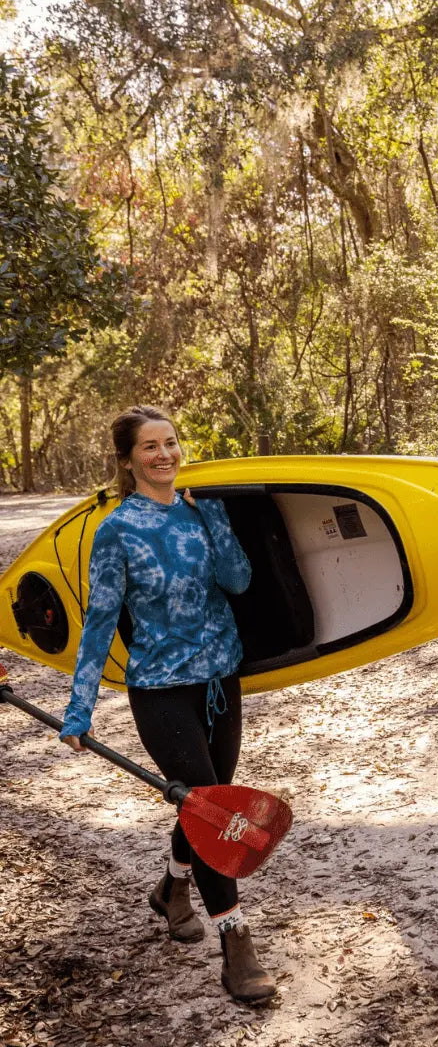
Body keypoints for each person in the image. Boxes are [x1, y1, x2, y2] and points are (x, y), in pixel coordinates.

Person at [58, 405, 275, 1003]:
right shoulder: (118, 530)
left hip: (219, 680)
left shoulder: (203, 511)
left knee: (203, 803)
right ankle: (236, 944)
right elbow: (100, 621)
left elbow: (237, 583)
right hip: (158, 687)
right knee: (209, 812)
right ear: (127, 461)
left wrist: (221, 525)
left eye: (171, 443)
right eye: (149, 447)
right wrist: (80, 709)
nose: (164, 455)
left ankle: (172, 888)